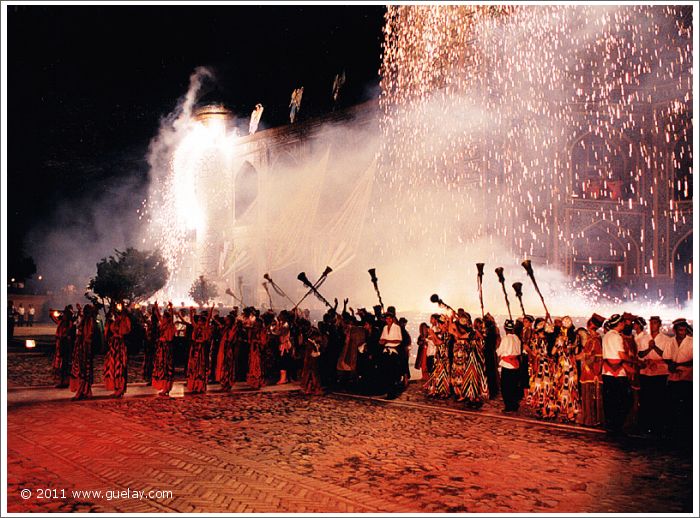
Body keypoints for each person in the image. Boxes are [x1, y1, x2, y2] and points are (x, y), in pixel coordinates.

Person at [636, 316, 670, 437]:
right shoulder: (644, 339)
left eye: (655, 323)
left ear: (659, 325)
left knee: (659, 400)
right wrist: (648, 350)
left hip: (660, 372)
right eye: (651, 323)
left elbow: (666, 356)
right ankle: (646, 427)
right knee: (646, 400)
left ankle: (658, 427)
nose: (652, 325)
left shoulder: (666, 340)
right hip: (646, 371)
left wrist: (654, 347)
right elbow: (640, 354)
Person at [601, 314, 632, 436]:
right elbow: (622, 356)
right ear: (619, 324)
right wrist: (636, 361)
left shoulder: (606, 336)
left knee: (610, 401)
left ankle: (611, 425)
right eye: (623, 323)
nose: (624, 325)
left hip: (607, 371)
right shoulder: (617, 337)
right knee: (623, 400)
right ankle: (617, 425)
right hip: (618, 373)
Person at [664, 318, 693, 438]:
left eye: (684, 329)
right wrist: (671, 365)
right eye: (680, 329)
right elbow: (666, 356)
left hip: (687, 378)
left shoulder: (692, 342)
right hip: (673, 378)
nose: (682, 331)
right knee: (673, 406)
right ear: (675, 330)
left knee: (686, 407)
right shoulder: (671, 342)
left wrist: (679, 365)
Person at [576, 313, 605, 427]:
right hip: (589, 372)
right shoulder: (593, 339)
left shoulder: (594, 341)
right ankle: (589, 419)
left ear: (590, 325)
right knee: (587, 397)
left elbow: (592, 357)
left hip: (591, 374)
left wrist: (576, 358)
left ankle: (591, 420)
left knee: (589, 396)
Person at [551, 316, 580, 423]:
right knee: (571, 388)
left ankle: (560, 411)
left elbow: (553, 352)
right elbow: (576, 352)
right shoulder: (576, 337)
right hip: (572, 365)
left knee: (561, 387)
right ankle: (571, 413)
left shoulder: (560, 338)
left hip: (562, 364)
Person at [527, 319, 556, 419]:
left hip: (540, 367)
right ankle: (550, 411)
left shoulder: (536, 341)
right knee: (549, 388)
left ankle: (544, 411)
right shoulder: (550, 340)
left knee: (541, 389)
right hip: (550, 367)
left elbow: (535, 354)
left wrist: (528, 349)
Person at [70, 304, 98, 400]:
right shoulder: (86, 320)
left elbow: (88, 336)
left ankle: (85, 390)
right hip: (82, 348)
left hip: (85, 349)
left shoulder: (89, 321)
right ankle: (83, 390)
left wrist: (84, 347)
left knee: (85, 370)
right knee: (83, 371)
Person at [461, 315, 490, 408]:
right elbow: (462, 337)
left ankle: (477, 397)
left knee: (478, 377)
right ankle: (471, 397)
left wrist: (477, 331)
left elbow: (482, 343)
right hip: (471, 358)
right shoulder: (472, 333)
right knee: (470, 377)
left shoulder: (483, 334)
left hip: (479, 359)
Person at [103, 303, 131, 398]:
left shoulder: (125, 320)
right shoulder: (116, 320)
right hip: (114, 346)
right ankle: (116, 388)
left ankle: (120, 388)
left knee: (119, 367)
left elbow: (125, 331)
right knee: (113, 367)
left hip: (120, 346)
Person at [497, 319, 523, 412]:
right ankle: (514, 404)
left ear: (505, 328)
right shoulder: (516, 338)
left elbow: (499, 352)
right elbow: (519, 351)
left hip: (507, 365)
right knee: (514, 386)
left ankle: (508, 406)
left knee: (506, 387)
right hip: (515, 364)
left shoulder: (505, 339)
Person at [187, 306, 213, 394]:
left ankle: (200, 385)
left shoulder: (205, 328)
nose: (198, 322)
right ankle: (194, 384)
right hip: (194, 348)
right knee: (193, 366)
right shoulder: (195, 328)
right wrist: (191, 312)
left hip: (200, 349)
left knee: (200, 366)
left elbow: (208, 319)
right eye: (198, 321)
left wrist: (211, 311)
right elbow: (191, 320)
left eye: (200, 321)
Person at [152, 302, 176, 397]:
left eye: (165, 318)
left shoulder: (170, 326)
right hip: (161, 348)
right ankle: (164, 387)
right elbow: (158, 316)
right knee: (161, 367)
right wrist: (156, 308)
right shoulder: (163, 324)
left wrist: (171, 308)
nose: (163, 319)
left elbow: (172, 318)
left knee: (166, 367)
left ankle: (167, 387)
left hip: (167, 349)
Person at [379, 312, 404, 399]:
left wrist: (387, 341)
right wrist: (384, 341)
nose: (388, 320)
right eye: (387, 318)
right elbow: (381, 340)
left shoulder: (397, 328)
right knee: (386, 373)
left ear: (392, 319)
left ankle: (392, 393)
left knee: (393, 373)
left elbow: (399, 340)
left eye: (390, 318)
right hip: (386, 351)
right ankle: (387, 391)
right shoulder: (385, 328)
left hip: (393, 352)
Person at [50, 306, 76, 388]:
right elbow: (55, 319)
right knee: (60, 365)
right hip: (60, 345)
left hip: (66, 346)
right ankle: (61, 381)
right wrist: (51, 314)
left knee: (65, 364)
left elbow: (69, 335)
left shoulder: (70, 324)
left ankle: (65, 382)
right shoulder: (61, 322)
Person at [216, 314, 238, 391]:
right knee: (222, 365)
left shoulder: (233, 329)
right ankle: (223, 382)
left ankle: (227, 382)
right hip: (223, 348)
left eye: (228, 320)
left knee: (227, 366)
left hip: (228, 350)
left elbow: (230, 339)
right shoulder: (225, 328)